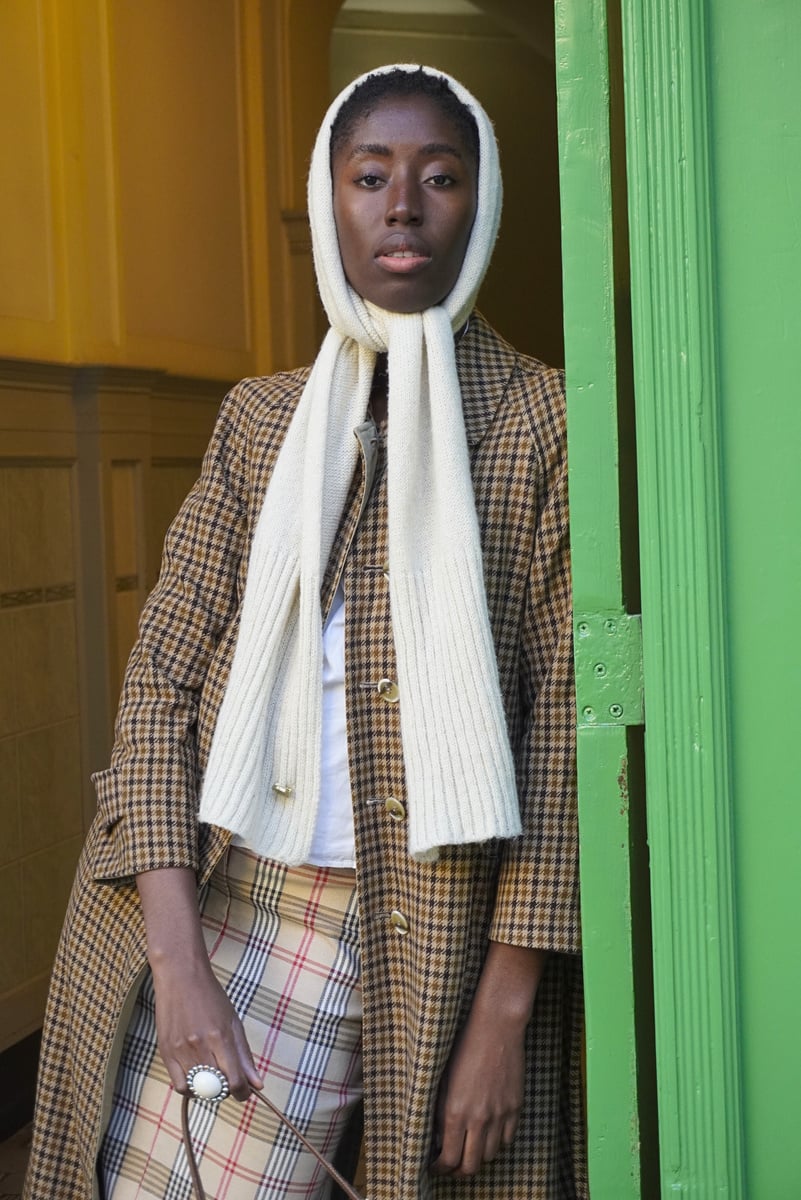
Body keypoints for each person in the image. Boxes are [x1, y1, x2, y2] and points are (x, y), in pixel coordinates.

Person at [24, 64, 587, 1200]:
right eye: (369, 176)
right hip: (206, 896)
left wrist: (504, 1012)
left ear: (483, 202)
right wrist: (177, 966)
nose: (401, 206)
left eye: (440, 177)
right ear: (329, 202)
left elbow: (566, 728)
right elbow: (160, 687)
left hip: (422, 920)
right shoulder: (260, 418)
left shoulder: (542, 419)